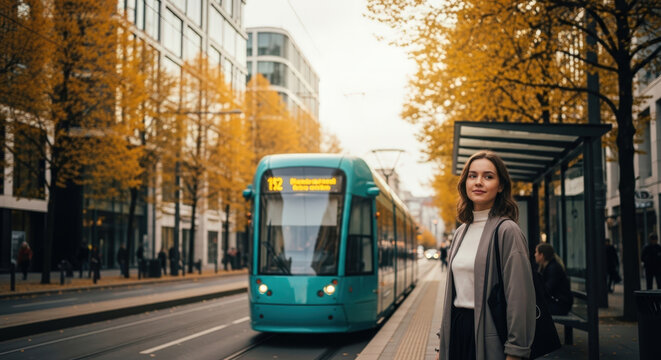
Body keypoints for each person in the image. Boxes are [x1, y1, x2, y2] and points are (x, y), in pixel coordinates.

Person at [437, 150, 535, 360]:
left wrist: (516, 351)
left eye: (488, 176)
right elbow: (453, 294)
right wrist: (442, 343)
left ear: (500, 186)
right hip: (457, 331)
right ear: (465, 183)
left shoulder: (507, 231)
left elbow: (520, 297)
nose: (478, 182)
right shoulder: (461, 231)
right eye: (472, 176)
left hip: (488, 334)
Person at [534, 243, 573, 315]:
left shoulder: (553, 268)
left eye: (536, 252)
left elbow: (547, 289)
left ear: (542, 255)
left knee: (535, 311)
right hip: (557, 303)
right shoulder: (547, 267)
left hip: (560, 305)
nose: (535, 255)